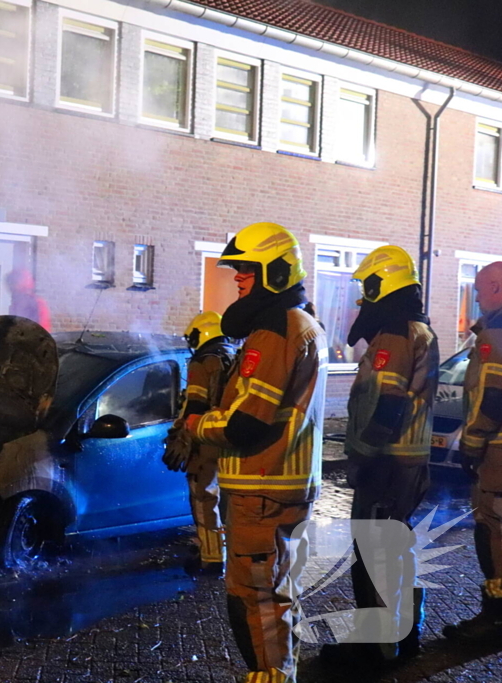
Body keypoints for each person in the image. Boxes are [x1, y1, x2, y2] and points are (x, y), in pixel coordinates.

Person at [186, 222, 327, 683]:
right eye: (237, 269)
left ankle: (271, 676)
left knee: (259, 595)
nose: (238, 277)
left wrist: (196, 424)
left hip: (263, 486)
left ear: (276, 273)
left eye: (248, 268)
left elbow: (246, 423)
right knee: (273, 590)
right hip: (275, 485)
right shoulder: (296, 324)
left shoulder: (276, 331)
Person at [320, 245, 439, 668]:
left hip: (387, 462)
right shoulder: (416, 328)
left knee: (374, 553)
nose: (362, 298)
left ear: (382, 284)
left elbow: (388, 403)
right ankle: (404, 634)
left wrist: (364, 455)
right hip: (406, 461)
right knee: (395, 548)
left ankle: (376, 647)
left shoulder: (395, 334)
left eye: (367, 287)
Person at [443, 261, 502, 646]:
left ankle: (497, 620)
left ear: (495, 286)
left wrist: (472, 442)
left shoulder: (500, 327)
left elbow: (495, 391)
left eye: (478, 289)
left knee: (495, 528)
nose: (475, 296)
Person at [163, 310, 238, 574]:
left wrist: (180, 434)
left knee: (203, 499)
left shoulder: (202, 362)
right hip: (228, 437)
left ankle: (211, 558)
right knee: (226, 501)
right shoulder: (233, 357)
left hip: (205, 440)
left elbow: (195, 405)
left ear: (201, 334)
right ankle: (227, 551)